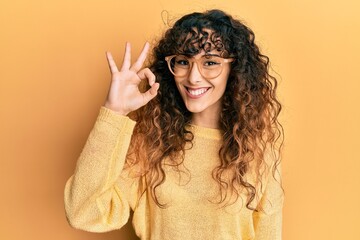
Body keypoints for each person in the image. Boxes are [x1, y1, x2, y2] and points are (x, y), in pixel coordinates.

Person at [64, 9, 284, 240]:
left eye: (210, 62)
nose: (193, 77)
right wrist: (114, 112)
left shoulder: (259, 152)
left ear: (234, 69)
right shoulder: (150, 143)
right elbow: (82, 213)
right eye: (183, 62)